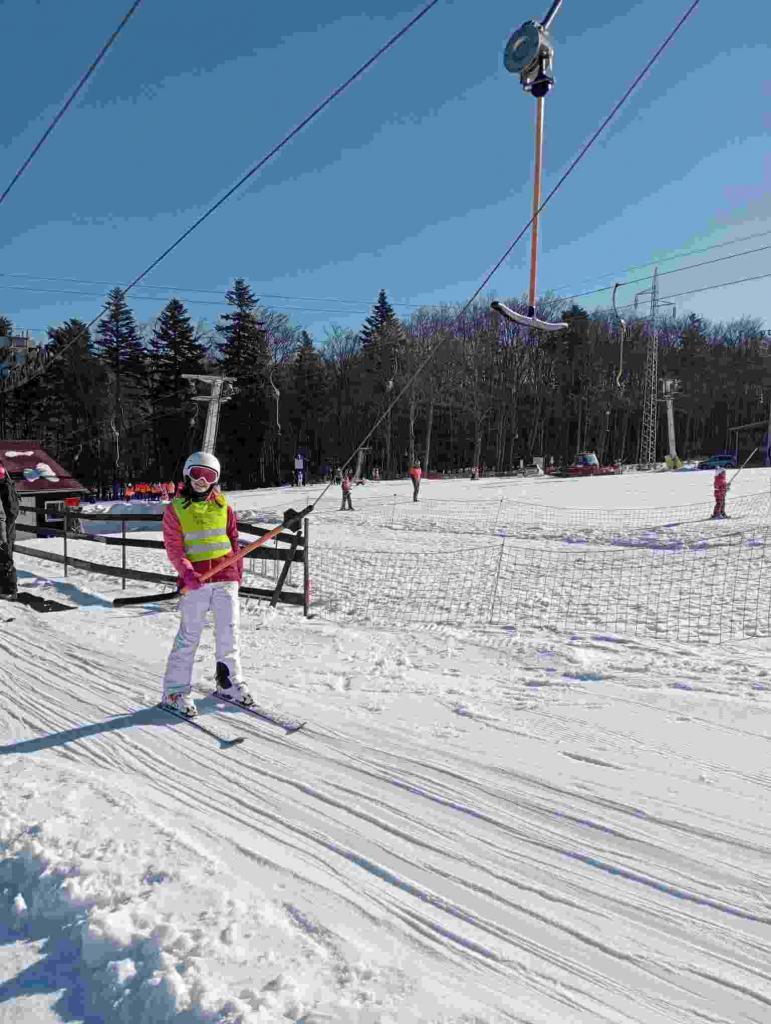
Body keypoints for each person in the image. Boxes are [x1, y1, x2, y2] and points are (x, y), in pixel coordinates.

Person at [160, 451, 253, 718]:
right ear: (187, 474)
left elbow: (233, 540)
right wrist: (187, 572)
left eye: (209, 476)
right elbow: (175, 548)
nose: (202, 480)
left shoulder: (223, 505)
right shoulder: (175, 510)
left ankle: (229, 682)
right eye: (197, 474)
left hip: (225, 578)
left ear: (216, 479)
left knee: (229, 633)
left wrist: (237, 572)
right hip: (196, 582)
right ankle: (175, 691)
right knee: (189, 636)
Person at [0, 464, 19, 600]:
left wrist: (3, 539)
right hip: (7, 528)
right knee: (5, 559)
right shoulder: (7, 486)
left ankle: (9, 591)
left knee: (5, 560)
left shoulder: (4, 488)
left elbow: (2, 516)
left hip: (4, 530)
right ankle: (6, 589)